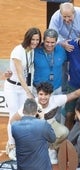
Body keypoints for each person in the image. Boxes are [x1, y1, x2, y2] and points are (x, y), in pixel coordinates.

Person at [10, 82, 80, 164]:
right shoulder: (30, 104)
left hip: (50, 125)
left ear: (50, 95)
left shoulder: (56, 100)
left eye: (46, 94)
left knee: (64, 132)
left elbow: (74, 94)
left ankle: (51, 150)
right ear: (37, 94)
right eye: (41, 94)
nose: (43, 97)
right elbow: (13, 120)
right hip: (33, 128)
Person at [4, 27, 41, 160]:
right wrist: (29, 92)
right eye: (33, 39)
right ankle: (12, 145)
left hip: (24, 88)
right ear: (28, 38)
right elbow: (20, 74)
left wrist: (28, 89)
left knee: (24, 117)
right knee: (14, 116)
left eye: (37, 40)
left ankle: (21, 144)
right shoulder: (17, 51)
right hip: (13, 88)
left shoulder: (32, 51)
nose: (35, 42)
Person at [11, 98, 56, 170]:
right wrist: (43, 118)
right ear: (36, 112)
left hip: (23, 168)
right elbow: (53, 138)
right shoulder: (42, 124)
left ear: (23, 111)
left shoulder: (14, 126)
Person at [33, 28, 67, 95]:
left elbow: (66, 62)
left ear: (56, 41)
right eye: (47, 42)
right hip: (39, 90)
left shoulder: (61, 50)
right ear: (43, 40)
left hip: (56, 89)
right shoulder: (35, 51)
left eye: (52, 42)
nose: (49, 45)